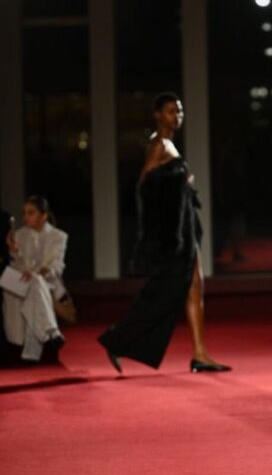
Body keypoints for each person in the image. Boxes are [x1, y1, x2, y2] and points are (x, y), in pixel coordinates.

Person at [98, 93, 230, 374]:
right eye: (170, 111)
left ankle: (200, 353)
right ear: (158, 115)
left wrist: (181, 184)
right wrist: (179, 183)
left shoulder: (167, 143)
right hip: (175, 230)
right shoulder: (159, 145)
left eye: (179, 111)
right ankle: (119, 338)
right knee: (169, 288)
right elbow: (144, 185)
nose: (177, 116)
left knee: (194, 286)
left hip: (184, 224)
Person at [2, 196, 68, 362]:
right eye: (24, 213)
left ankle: (42, 341)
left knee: (36, 283)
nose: (25, 217)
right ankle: (51, 332)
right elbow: (17, 266)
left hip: (44, 281)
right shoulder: (19, 235)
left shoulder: (58, 236)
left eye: (30, 213)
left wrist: (42, 272)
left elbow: (57, 265)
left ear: (43, 215)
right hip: (22, 280)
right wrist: (14, 250)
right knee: (33, 282)